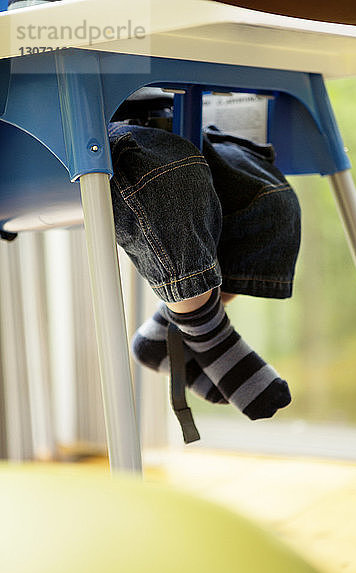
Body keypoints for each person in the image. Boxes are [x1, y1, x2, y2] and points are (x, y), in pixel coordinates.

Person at [107, 116, 301, 423]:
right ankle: (209, 335)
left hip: (174, 118)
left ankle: (171, 330)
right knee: (171, 181)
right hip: (84, 131)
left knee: (269, 198)